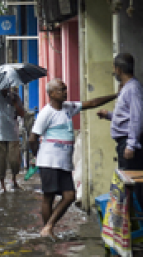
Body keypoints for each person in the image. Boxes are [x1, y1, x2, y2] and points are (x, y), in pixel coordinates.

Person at [29, 78, 118, 239]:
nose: (65, 92)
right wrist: (37, 157)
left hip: (63, 163)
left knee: (69, 195)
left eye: (65, 89)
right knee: (48, 196)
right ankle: (47, 230)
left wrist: (116, 95)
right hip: (49, 161)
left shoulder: (68, 107)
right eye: (61, 90)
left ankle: (48, 227)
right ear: (51, 94)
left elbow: (92, 103)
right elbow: (32, 138)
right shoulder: (46, 113)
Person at [96, 53, 143, 257]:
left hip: (129, 147)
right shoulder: (126, 89)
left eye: (114, 68)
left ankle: (129, 253)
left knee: (131, 197)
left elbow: (137, 117)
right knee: (125, 196)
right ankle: (125, 251)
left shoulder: (132, 88)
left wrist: (132, 144)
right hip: (124, 144)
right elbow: (125, 117)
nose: (113, 72)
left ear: (118, 69)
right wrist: (109, 116)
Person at [0, 88, 25, 192]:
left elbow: (22, 113)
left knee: (15, 161)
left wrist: (15, 103)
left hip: (13, 133)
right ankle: (2, 186)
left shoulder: (15, 96)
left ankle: (14, 180)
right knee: (0, 161)